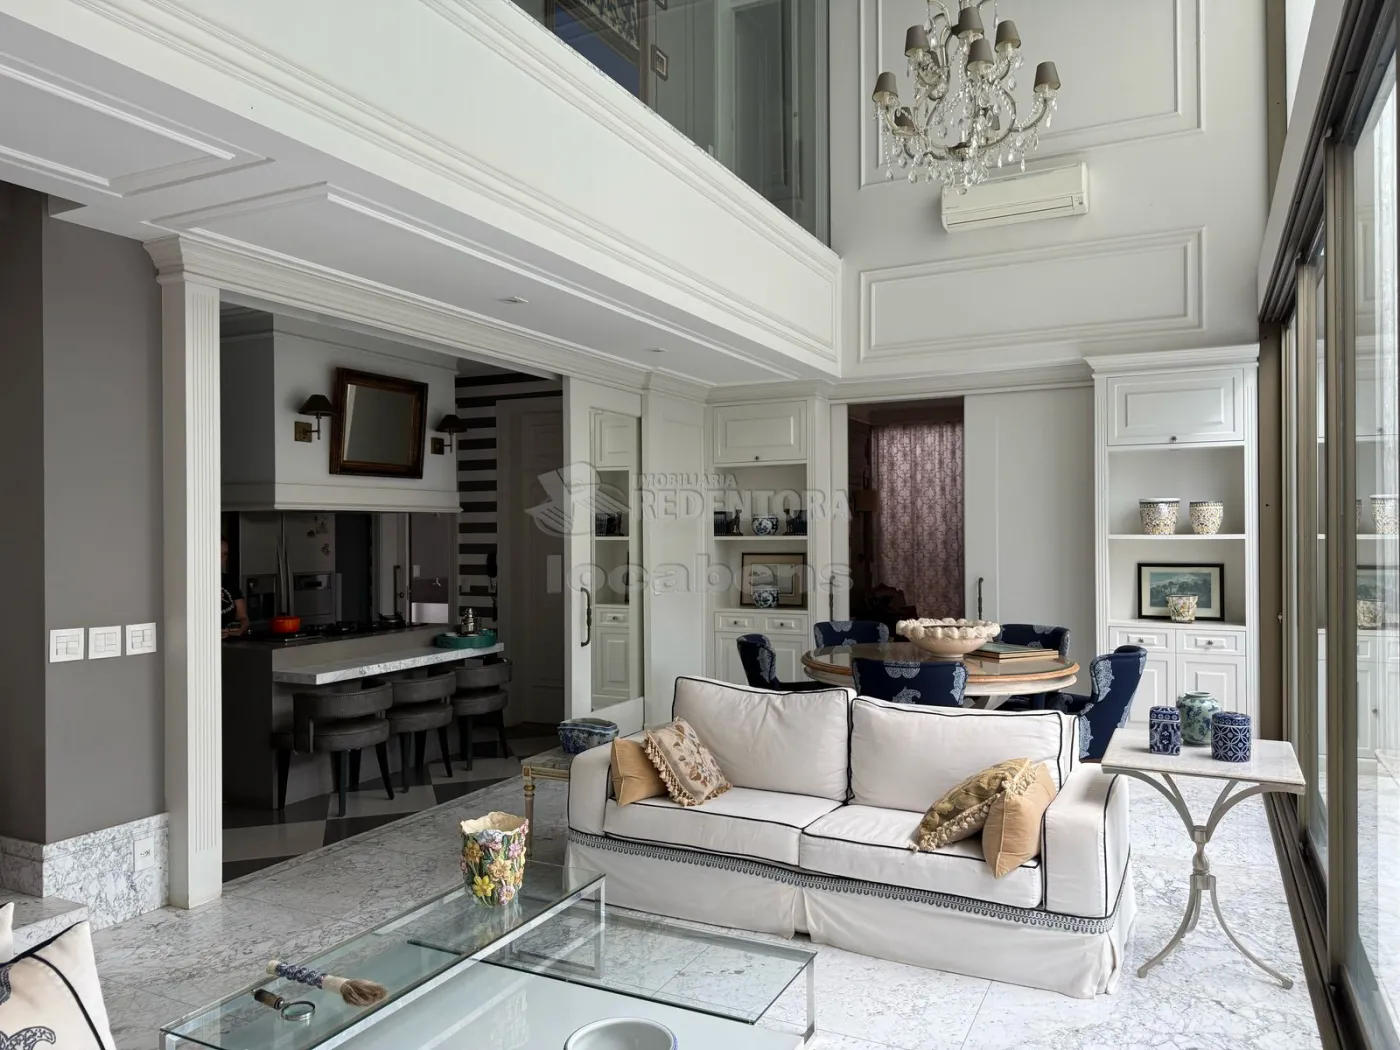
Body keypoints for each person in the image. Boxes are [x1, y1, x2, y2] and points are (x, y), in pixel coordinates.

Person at [222, 538, 249, 639]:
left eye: (224, 554)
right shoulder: (191, 583)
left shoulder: (229, 582)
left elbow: (243, 616)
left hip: (231, 642)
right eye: (217, 554)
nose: (221, 559)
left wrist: (241, 628)